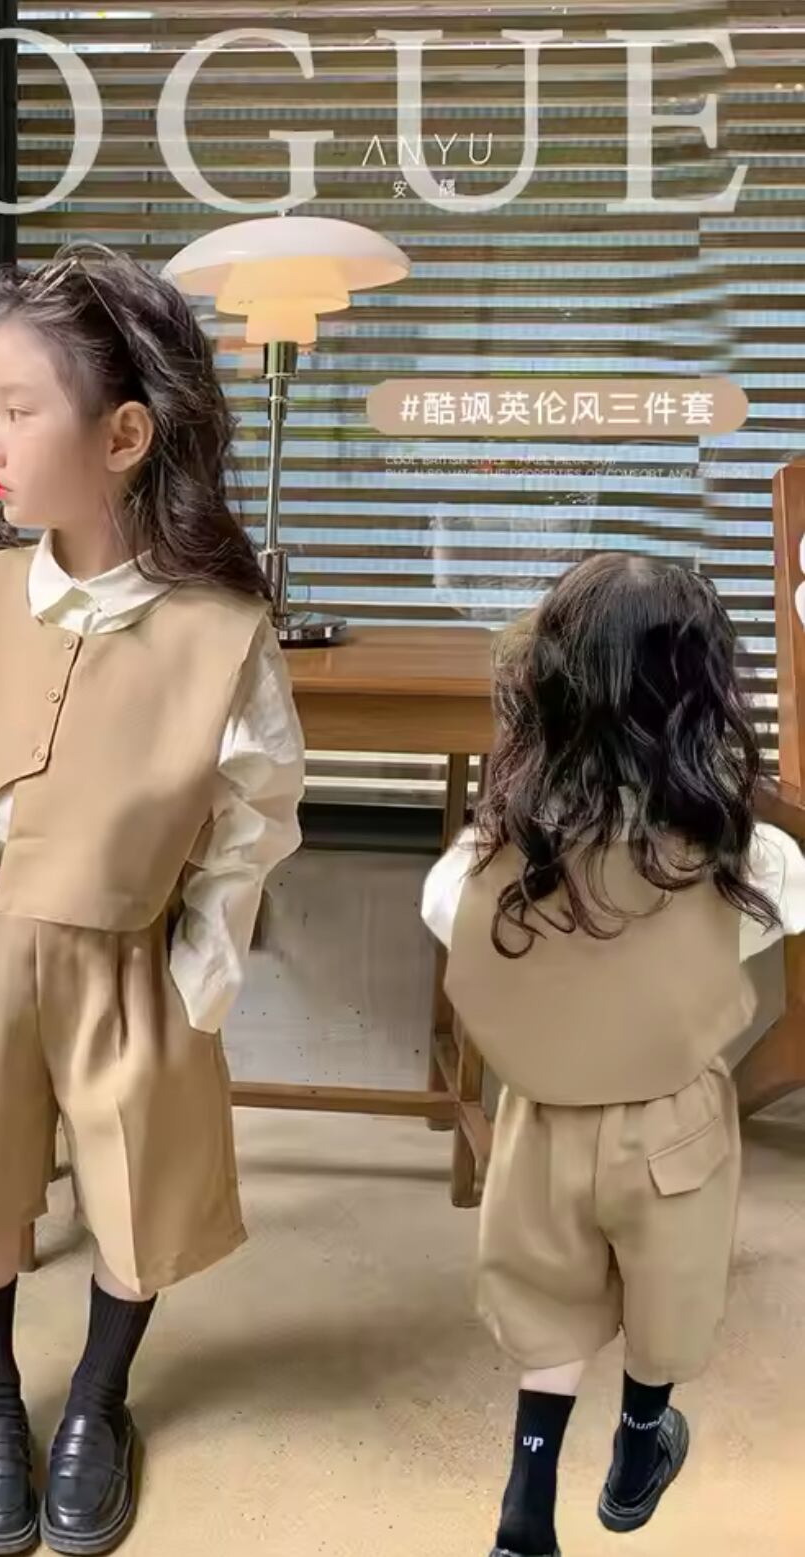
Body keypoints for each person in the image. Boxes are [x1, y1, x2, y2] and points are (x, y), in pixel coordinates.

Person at [0, 241, 305, 1556]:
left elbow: (254, 817)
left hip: (130, 959)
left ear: (122, 435)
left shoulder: (219, 634)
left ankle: (99, 1398)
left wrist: (202, 972)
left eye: (16, 410)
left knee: (136, 1196)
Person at [420, 553, 805, 1557]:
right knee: (666, 1297)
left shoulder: (482, 867)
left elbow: (447, 923)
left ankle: (526, 1504)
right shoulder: (748, 863)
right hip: (674, 1127)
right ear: (705, 698)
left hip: (540, 1124)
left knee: (547, 1307)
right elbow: (775, 916)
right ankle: (638, 1447)